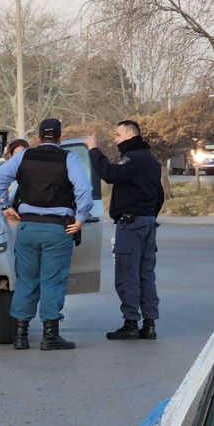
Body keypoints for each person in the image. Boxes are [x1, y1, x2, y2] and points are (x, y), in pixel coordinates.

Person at [0, 118, 93, 350]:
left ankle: (20, 335)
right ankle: (50, 336)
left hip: (28, 227)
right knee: (52, 281)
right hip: (58, 228)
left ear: (37, 138)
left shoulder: (23, 157)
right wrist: (80, 218)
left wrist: (5, 206)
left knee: (26, 279)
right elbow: (84, 189)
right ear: (60, 137)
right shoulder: (69, 158)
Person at [86, 120, 164, 340]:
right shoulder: (151, 160)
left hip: (131, 225)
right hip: (147, 223)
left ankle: (131, 322)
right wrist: (149, 215)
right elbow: (159, 196)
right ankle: (149, 323)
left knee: (127, 274)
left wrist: (93, 151)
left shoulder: (133, 159)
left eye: (118, 135)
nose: (115, 139)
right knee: (146, 275)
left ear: (130, 134)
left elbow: (109, 173)